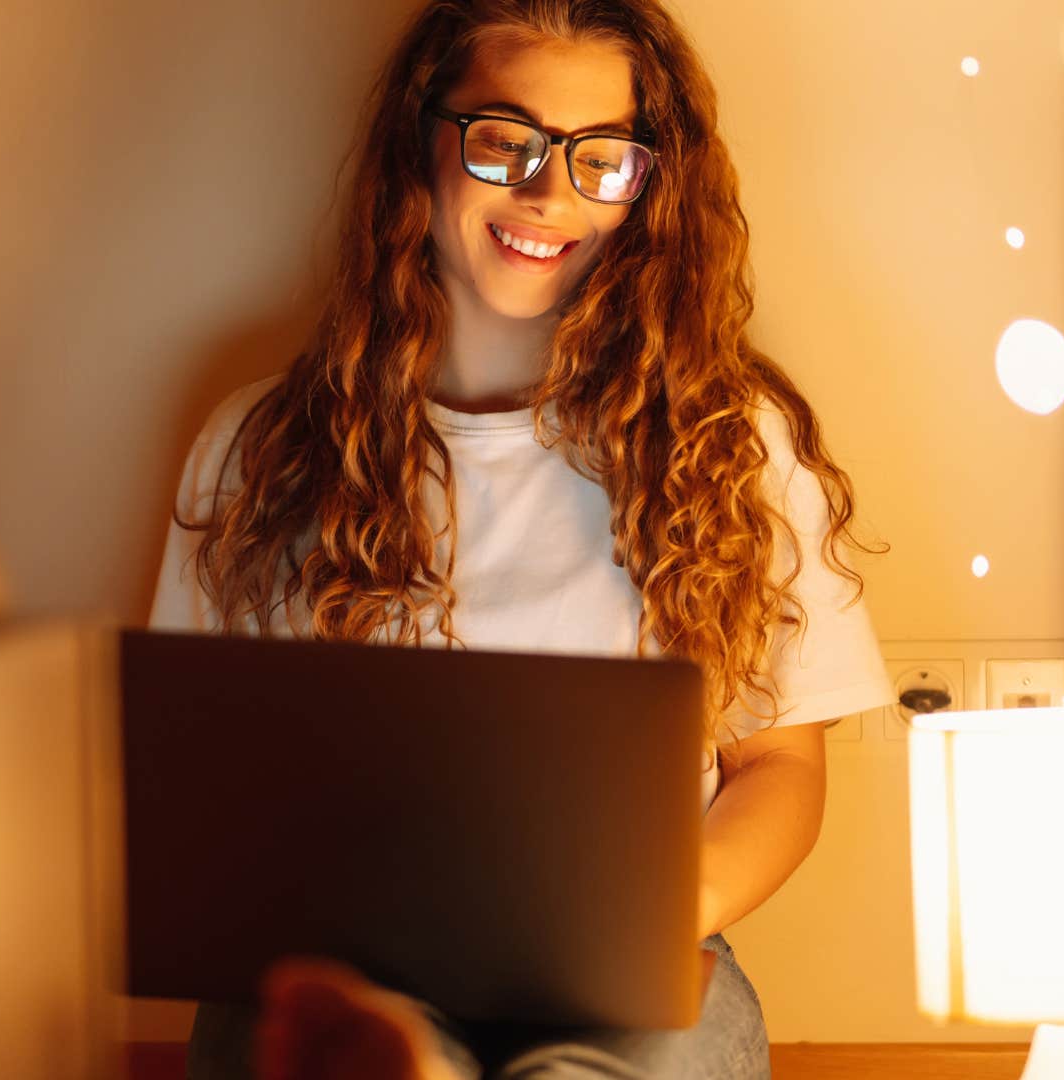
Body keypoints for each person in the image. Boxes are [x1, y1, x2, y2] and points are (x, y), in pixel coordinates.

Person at [146, 1, 893, 1076]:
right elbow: (202, 772)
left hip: (636, 961)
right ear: (424, 143)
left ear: (649, 186)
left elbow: (779, 764)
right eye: (508, 142)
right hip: (349, 964)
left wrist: (672, 911)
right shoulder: (260, 446)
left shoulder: (731, 441)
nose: (551, 194)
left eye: (604, 158)